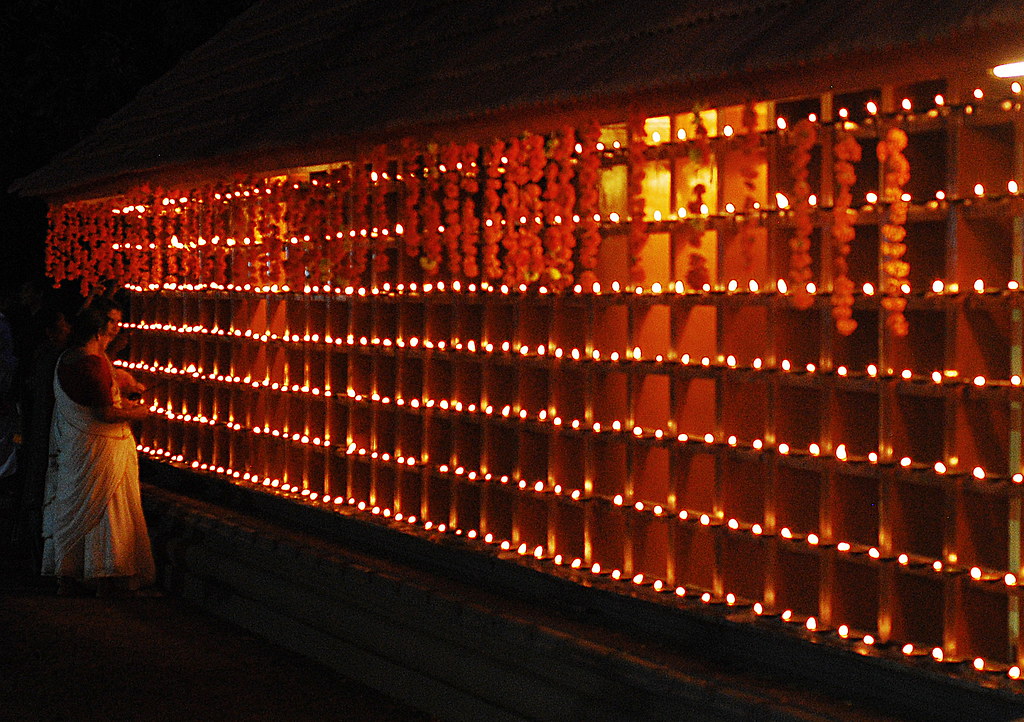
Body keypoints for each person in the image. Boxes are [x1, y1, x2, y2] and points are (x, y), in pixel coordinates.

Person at [41, 304, 155, 596]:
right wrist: (138, 413)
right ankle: (107, 574)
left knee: (79, 505)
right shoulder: (92, 363)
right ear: (98, 326)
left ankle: (72, 573)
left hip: (78, 447)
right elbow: (105, 413)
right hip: (101, 449)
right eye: (112, 321)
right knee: (107, 509)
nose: (117, 327)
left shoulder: (68, 358)